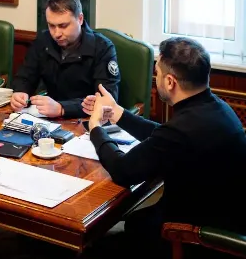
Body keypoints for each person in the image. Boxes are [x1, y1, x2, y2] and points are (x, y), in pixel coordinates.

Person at [86, 37, 246, 258]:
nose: (156, 78)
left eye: (158, 73)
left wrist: (95, 128)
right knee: (133, 221)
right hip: (225, 217)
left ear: (170, 82)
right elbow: (163, 135)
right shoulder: (217, 108)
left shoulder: (181, 130)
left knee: (93, 248)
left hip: (192, 238)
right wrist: (118, 114)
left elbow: (123, 170)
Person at [10, 0, 120, 118]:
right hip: (50, 118)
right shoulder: (43, 41)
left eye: (63, 26)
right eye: (51, 26)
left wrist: (62, 108)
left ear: (80, 19)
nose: (56, 33)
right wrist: (20, 92)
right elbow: (25, 76)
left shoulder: (103, 48)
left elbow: (106, 101)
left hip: (89, 119)